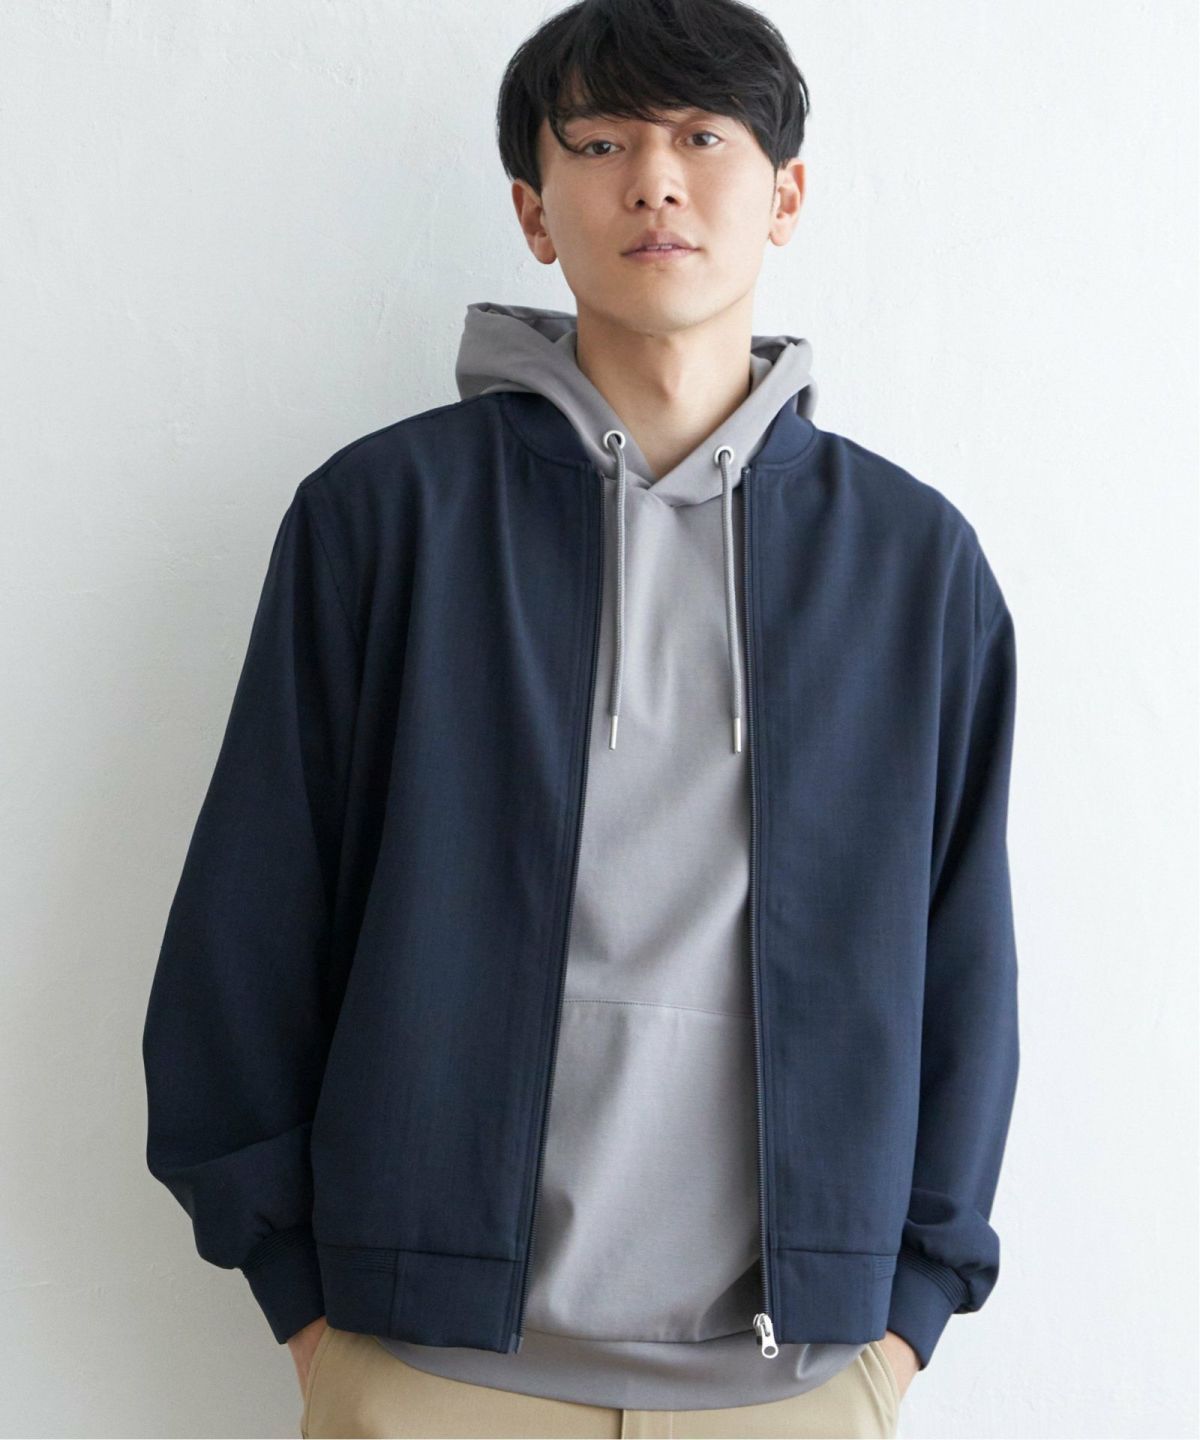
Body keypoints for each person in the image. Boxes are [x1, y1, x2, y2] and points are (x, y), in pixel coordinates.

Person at [141, 0, 1021, 1435]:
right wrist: (305, 1303)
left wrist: (905, 1317)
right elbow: (248, 924)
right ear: (533, 211)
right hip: (428, 1370)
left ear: (785, 196)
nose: (655, 181)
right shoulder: (386, 519)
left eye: (702, 138)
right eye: (601, 143)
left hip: (795, 1383)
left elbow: (964, 960)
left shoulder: (913, 565)